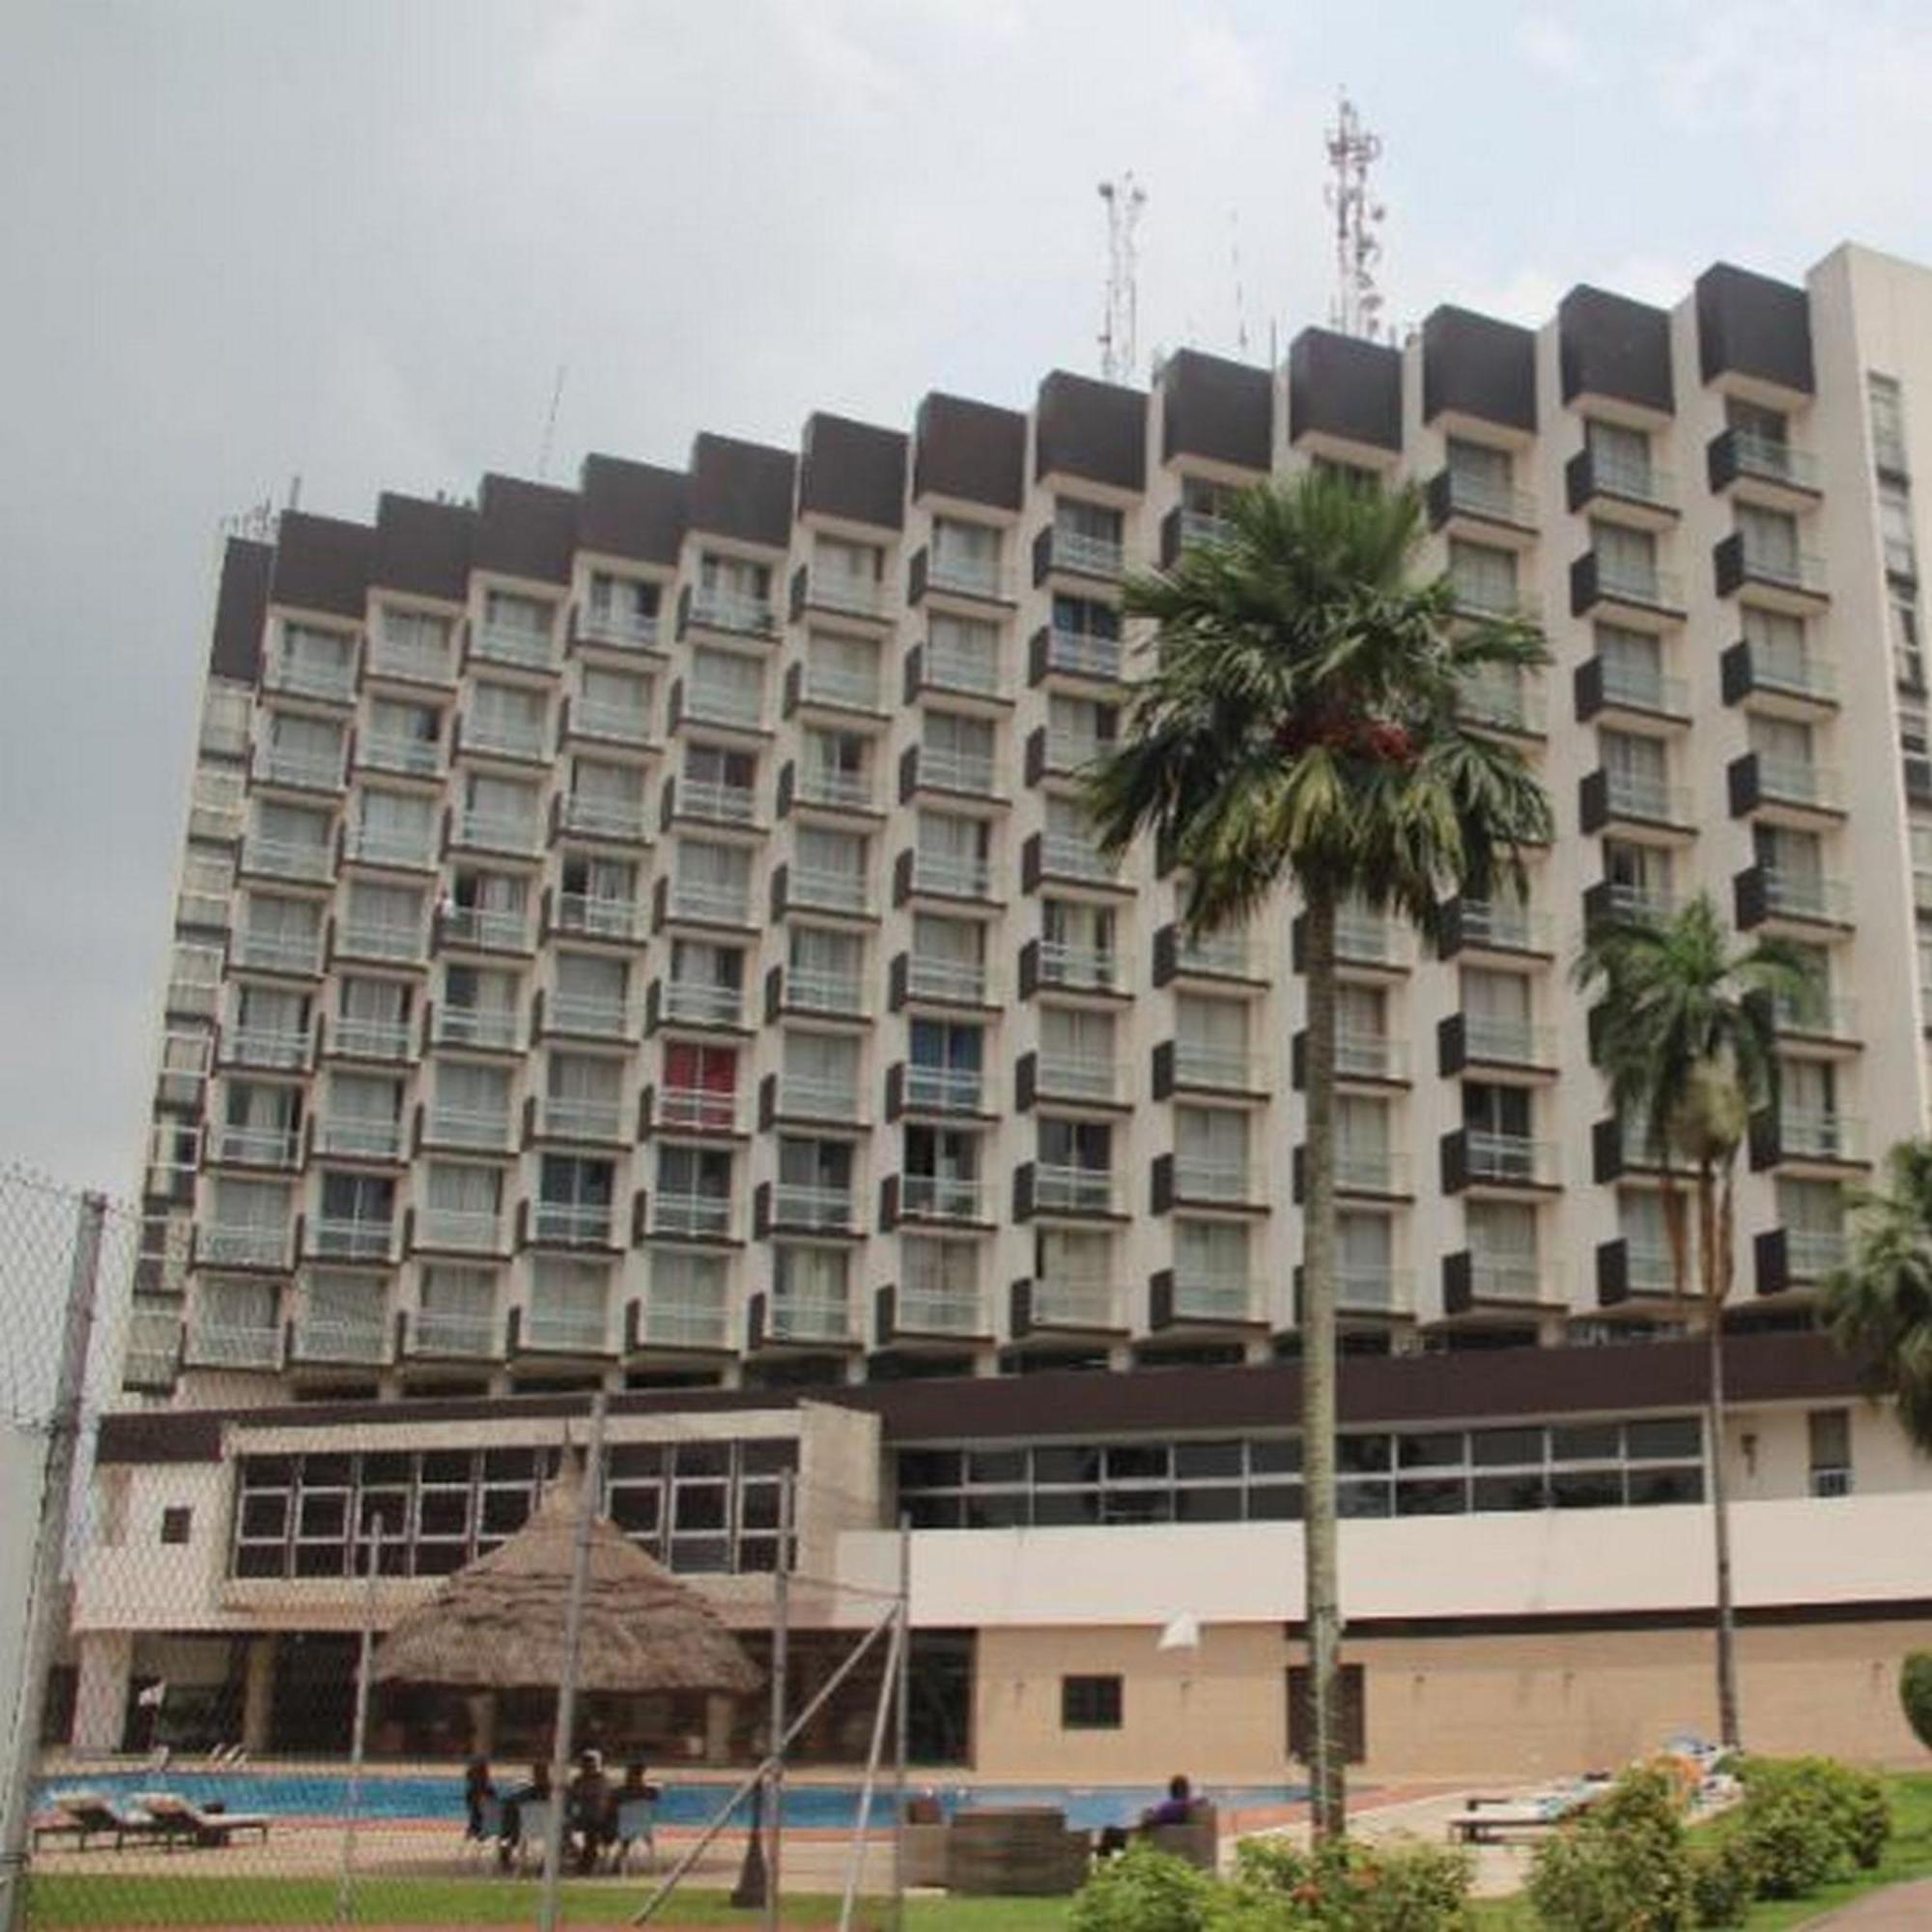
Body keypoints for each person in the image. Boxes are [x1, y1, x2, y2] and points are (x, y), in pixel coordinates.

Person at [497, 1759, 552, 1871]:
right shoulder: (552, 1793)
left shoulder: (527, 1794)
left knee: (511, 1829)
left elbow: (510, 1802)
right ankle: (546, 1864)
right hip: (545, 1829)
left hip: (527, 1830)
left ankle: (506, 1850)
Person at [566, 1748, 611, 1872]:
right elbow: (572, 1798)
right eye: (584, 1765)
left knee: (591, 1832)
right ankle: (579, 1856)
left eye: (589, 1765)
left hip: (599, 1819)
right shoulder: (579, 1780)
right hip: (583, 1817)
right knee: (563, 1827)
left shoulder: (601, 1780)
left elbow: (602, 1800)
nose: (586, 1768)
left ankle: (586, 1862)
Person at [463, 1756, 496, 1842]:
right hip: (487, 1823)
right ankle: (478, 1830)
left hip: (480, 1823)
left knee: (477, 1810)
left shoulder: (471, 1793)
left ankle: (475, 1829)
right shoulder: (490, 1791)